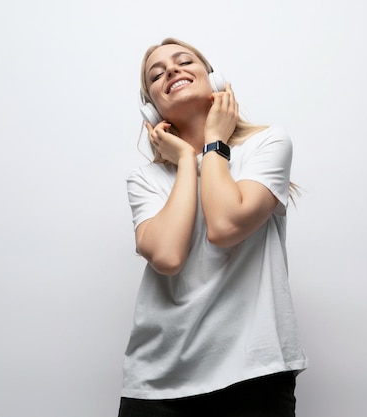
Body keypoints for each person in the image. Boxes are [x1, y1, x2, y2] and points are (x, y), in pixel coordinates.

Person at [118, 37, 308, 417]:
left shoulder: (266, 145)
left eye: (184, 61)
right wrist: (186, 160)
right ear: (152, 111)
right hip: (157, 383)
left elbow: (224, 226)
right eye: (157, 74)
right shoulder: (145, 179)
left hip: (255, 373)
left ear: (215, 80)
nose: (171, 70)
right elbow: (168, 257)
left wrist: (214, 143)